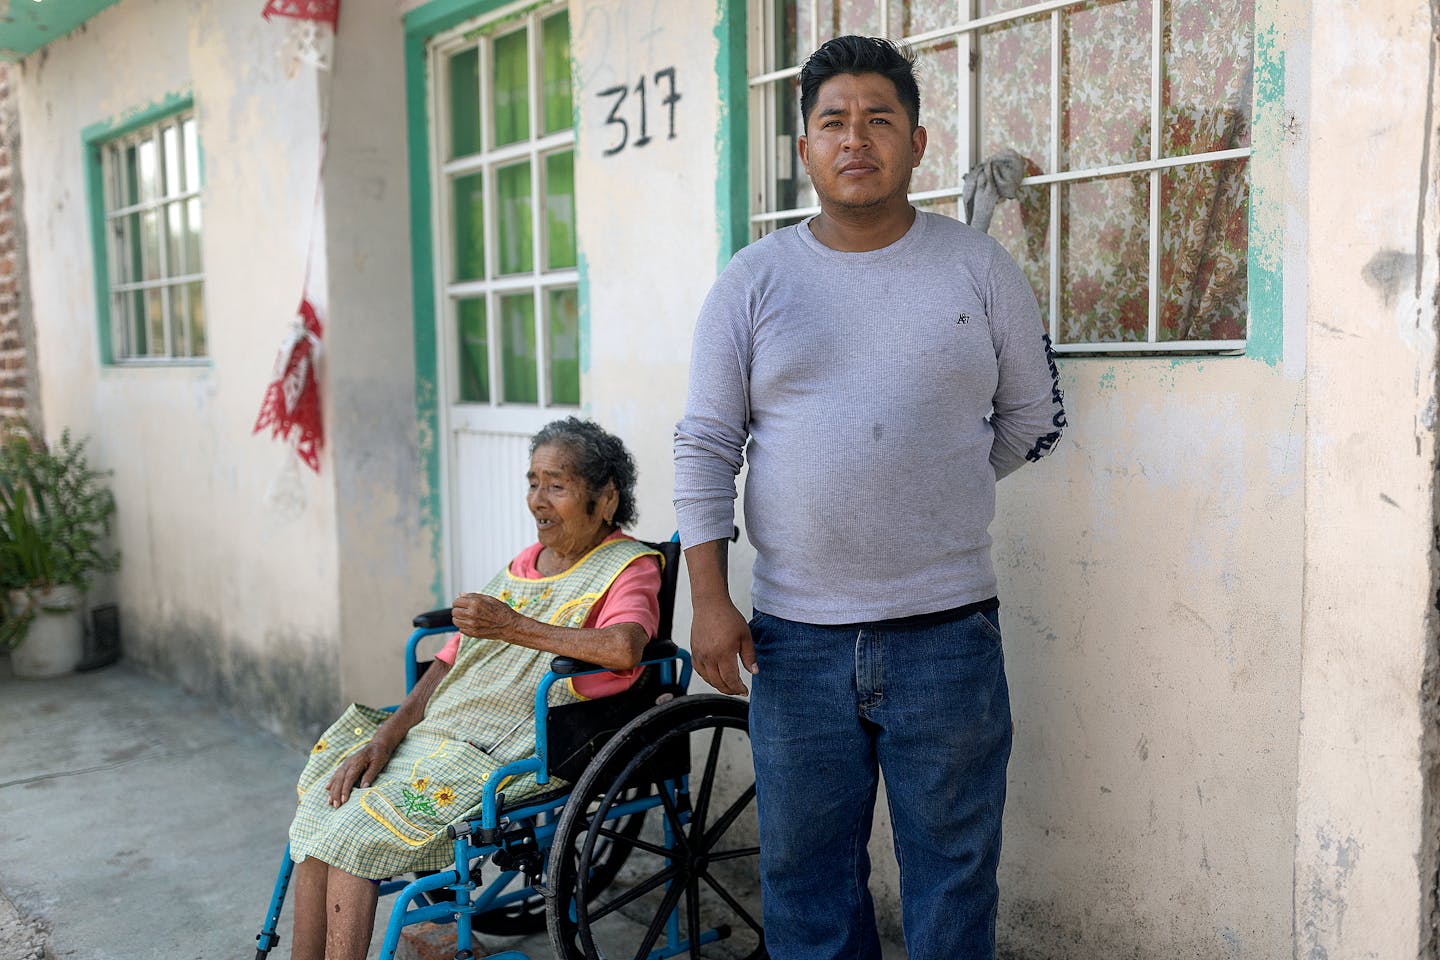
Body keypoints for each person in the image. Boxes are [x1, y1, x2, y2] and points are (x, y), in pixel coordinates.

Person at [673, 35, 1066, 960]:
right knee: (806, 890)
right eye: (833, 122)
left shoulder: (977, 269)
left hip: (949, 638)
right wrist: (709, 598)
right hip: (793, 645)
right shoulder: (754, 281)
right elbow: (704, 444)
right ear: (805, 146)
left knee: (954, 880)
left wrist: (936, 481)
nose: (857, 139)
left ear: (919, 142)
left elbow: (1033, 418)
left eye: (879, 119)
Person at [286, 417, 661, 960]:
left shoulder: (628, 567)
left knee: (351, 843)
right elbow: (444, 664)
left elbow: (625, 647)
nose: (538, 500)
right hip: (442, 729)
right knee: (320, 816)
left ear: (605, 499)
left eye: (557, 485)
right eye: (533, 482)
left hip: (507, 747)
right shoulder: (522, 565)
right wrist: (385, 738)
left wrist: (511, 626)